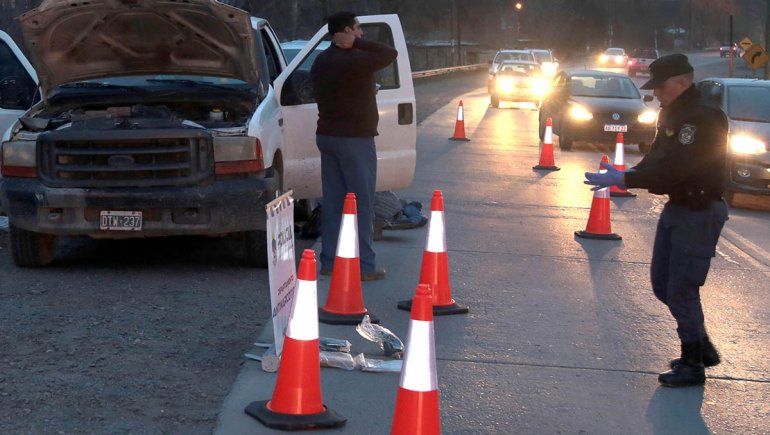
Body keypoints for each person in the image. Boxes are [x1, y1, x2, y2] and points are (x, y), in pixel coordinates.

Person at [584, 54, 729, 387]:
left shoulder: (703, 118)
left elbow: (677, 169)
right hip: (679, 207)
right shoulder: (673, 114)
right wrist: (629, 172)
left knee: (681, 288)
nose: (657, 94)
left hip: (699, 210)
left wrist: (626, 180)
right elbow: (657, 158)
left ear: (682, 81)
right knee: (663, 284)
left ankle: (693, 363)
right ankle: (701, 347)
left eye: (662, 87)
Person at [310, 11, 397, 281]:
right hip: (355, 140)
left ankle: (329, 261)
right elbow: (389, 53)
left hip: (327, 137)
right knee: (362, 202)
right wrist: (355, 45)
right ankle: (365, 266)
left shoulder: (321, 61)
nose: (361, 33)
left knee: (333, 201)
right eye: (358, 29)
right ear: (347, 31)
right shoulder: (356, 59)